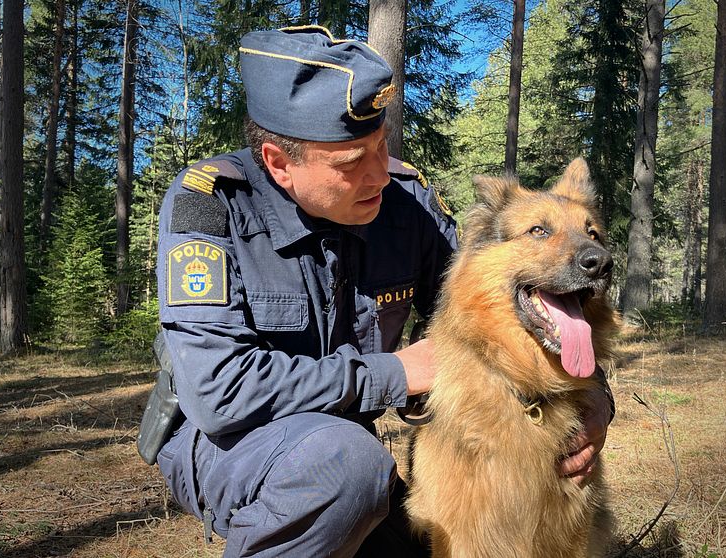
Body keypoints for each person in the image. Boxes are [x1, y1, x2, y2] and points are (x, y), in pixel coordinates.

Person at [148, 25, 614, 558]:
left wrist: (596, 396)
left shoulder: (404, 203)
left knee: (421, 534)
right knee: (346, 469)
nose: (377, 174)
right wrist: (397, 373)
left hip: (346, 446)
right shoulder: (214, 207)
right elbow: (221, 393)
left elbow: (490, 307)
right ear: (279, 163)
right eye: (350, 162)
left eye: (380, 146)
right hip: (225, 442)